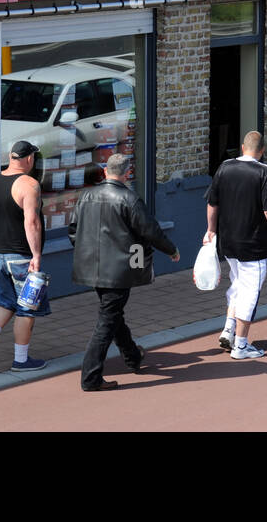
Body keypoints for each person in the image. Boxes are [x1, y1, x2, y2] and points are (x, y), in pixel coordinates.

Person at [69, 153, 180, 391]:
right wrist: (171, 250)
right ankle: (90, 377)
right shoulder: (129, 198)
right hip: (118, 270)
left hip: (92, 268)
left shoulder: (86, 196)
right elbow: (150, 231)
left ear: (106, 170)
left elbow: (73, 231)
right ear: (127, 173)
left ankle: (132, 356)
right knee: (106, 321)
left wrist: (86, 253)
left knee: (113, 314)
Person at [204, 131, 267, 359]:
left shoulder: (224, 167)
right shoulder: (265, 172)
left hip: (228, 242)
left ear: (243, 147)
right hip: (253, 245)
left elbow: (212, 203)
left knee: (237, 286)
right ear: (261, 151)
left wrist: (211, 230)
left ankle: (228, 329)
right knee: (250, 293)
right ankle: (241, 346)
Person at [0, 140, 48, 373]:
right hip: (22, 259)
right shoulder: (29, 184)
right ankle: (21, 360)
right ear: (28, 159)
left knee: (6, 301)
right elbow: (32, 222)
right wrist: (36, 255)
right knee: (26, 308)